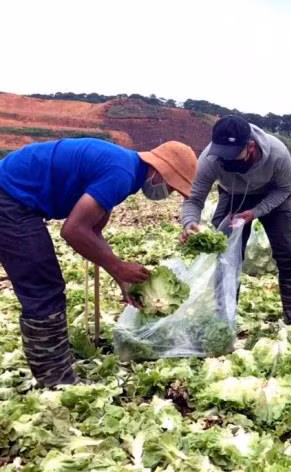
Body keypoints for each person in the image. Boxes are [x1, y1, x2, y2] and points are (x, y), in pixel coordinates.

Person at [0, 138, 197, 387]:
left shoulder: (126, 168)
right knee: (43, 289)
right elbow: (73, 230)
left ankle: (57, 368)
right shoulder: (122, 174)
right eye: (170, 187)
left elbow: (92, 231)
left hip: (15, 197)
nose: (167, 194)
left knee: (46, 287)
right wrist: (118, 266)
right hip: (9, 199)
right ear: (159, 172)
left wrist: (121, 277)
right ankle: (56, 379)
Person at [181, 116, 291, 327]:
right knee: (227, 258)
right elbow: (194, 199)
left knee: (288, 257)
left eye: (232, 156)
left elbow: (284, 189)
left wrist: (256, 212)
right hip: (234, 196)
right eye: (222, 156)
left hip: (273, 195)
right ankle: (223, 325)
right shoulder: (210, 160)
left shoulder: (277, 153)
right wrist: (189, 222)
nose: (226, 161)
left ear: (251, 146)